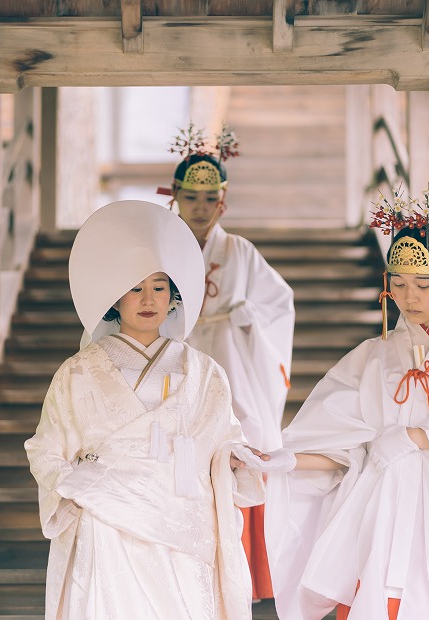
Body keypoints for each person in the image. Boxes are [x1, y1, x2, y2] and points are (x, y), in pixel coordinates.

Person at [237, 189, 429, 619]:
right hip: (384, 513)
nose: (409, 297)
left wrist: (414, 437)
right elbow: (339, 444)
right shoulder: (371, 357)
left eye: (422, 284)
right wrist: (283, 459)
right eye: (397, 284)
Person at [24, 200, 265, 619]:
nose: (148, 298)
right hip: (107, 520)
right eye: (135, 287)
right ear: (114, 298)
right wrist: (76, 489)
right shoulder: (77, 372)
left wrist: (239, 459)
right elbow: (44, 448)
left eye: (159, 286)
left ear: (174, 296)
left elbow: (226, 443)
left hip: (184, 520)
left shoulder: (203, 371)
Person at [163, 123, 295, 600]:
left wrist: (248, 319)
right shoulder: (162, 248)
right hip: (178, 358)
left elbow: (279, 304)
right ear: (175, 195)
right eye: (191, 196)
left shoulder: (239, 251)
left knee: (239, 448)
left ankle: (242, 580)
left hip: (234, 362)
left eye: (209, 197)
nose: (200, 207)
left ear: (222, 200)